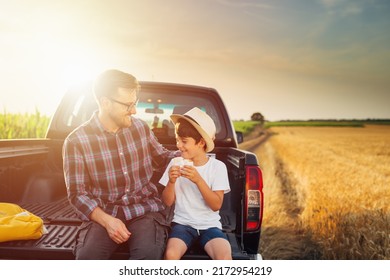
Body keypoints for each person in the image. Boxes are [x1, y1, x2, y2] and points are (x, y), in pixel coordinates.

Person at [62, 69, 178, 260]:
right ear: (105, 102)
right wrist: (108, 222)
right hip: (104, 213)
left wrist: (195, 152)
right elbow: (77, 194)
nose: (134, 110)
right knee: (87, 259)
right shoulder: (76, 141)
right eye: (128, 105)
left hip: (145, 210)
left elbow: (163, 157)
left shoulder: (140, 128)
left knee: (147, 260)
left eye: (135, 103)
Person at [159, 107, 232, 260]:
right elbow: (167, 201)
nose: (179, 145)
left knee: (224, 257)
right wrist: (171, 182)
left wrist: (198, 180)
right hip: (182, 225)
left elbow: (216, 205)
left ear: (200, 142)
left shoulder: (217, 167)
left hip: (210, 226)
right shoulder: (175, 162)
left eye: (184, 141)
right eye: (177, 140)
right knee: (171, 255)